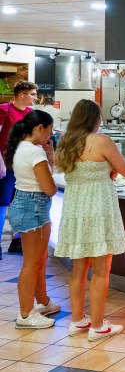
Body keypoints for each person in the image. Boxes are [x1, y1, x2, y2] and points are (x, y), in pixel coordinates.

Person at [54, 100, 125, 340]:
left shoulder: (65, 141)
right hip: (99, 207)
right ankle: (98, 325)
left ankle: (78, 321)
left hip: (75, 208)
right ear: (95, 118)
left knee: (79, 266)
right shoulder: (102, 141)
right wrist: (111, 169)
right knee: (101, 269)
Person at [7, 110, 59, 329]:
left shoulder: (22, 147)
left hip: (24, 205)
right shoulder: (34, 153)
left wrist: (50, 157)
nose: (50, 135)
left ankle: (43, 302)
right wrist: (49, 161)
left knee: (38, 260)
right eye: (49, 130)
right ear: (39, 128)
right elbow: (49, 188)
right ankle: (26, 314)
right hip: (34, 209)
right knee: (31, 264)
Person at [0, 81, 39, 258]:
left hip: (23, 165)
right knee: (2, 204)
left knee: (19, 203)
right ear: (22, 95)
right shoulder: (4, 110)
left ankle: (16, 241)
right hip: (5, 165)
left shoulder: (30, 113)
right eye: (32, 94)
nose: (35, 98)